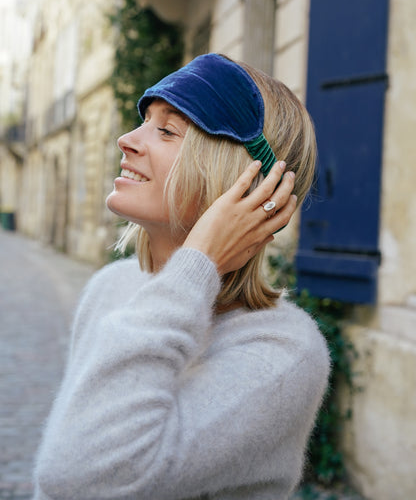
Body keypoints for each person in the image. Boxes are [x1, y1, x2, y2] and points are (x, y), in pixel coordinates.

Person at [33, 53, 330, 500]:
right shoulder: (111, 287)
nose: (126, 140)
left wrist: (199, 264)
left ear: (242, 183)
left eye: (167, 130)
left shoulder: (286, 352)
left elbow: (80, 474)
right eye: (144, 121)